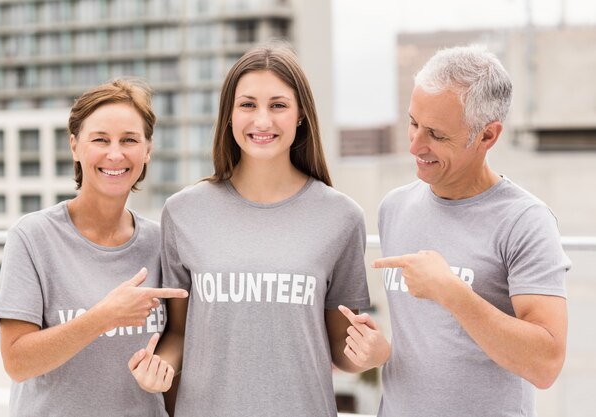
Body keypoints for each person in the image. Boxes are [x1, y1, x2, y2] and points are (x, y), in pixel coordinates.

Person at [128, 42, 371, 417]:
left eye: (278, 105)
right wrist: (156, 369)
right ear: (228, 115)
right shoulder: (183, 212)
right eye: (247, 105)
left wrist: (374, 354)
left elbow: (343, 347)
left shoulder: (341, 217)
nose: (262, 121)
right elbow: (179, 332)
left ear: (301, 115)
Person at [339, 45, 571, 417]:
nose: (415, 145)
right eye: (414, 123)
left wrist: (452, 292)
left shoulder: (525, 221)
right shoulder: (394, 208)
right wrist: (377, 349)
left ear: (487, 137)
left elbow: (546, 365)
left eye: (436, 134)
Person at [0, 79, 188, 417]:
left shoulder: (162, 242)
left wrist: (162, 367)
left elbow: (178, 334)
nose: (115, 154)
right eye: (100, 139)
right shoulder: (32, 237)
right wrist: (104, 316)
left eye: (129, 140)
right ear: (74, 147)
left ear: (147, 150)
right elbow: (17, 362)